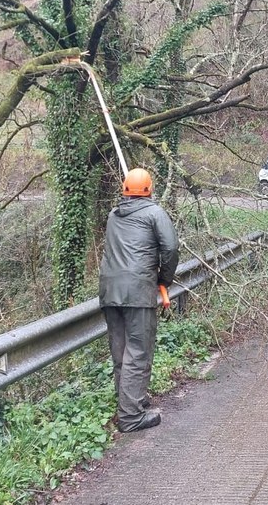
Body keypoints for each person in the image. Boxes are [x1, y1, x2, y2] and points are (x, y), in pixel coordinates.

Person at [98, 167, 179, 433]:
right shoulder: (155, 213)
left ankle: (132, 402)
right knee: (139, 350)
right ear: (150, 189)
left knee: (121, 352)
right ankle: (131, 416)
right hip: (137, 292)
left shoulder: (113, 215)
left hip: (110, 292)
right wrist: (164, 281)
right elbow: (170, 248)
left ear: (124, 190)